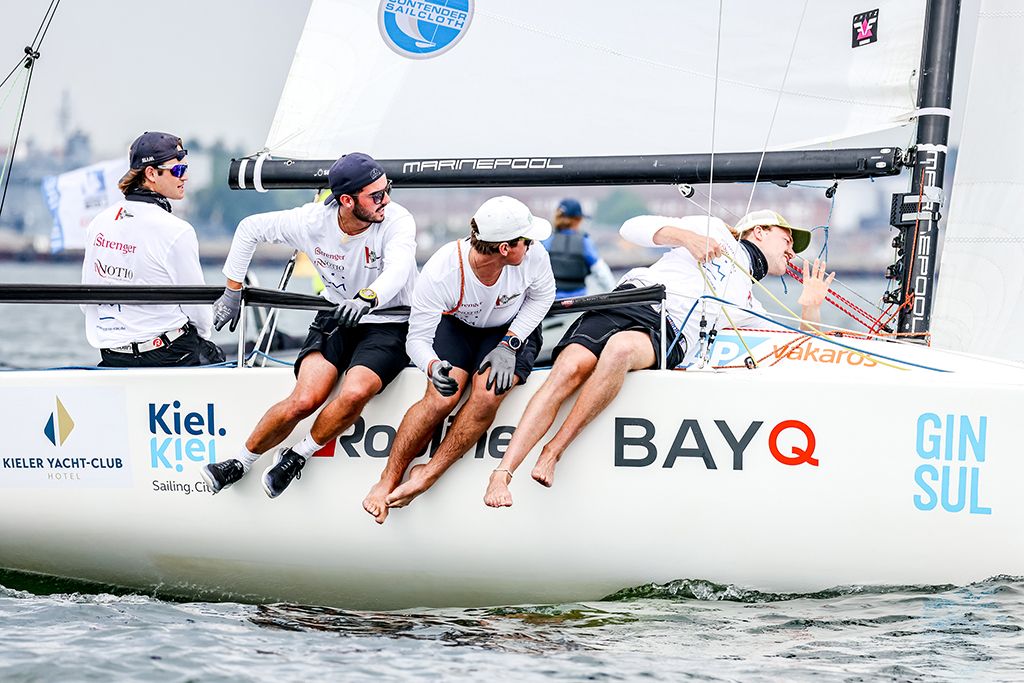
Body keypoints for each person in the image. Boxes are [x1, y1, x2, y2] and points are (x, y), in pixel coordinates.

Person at [483, 209, 834, 507]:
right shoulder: (711, 229)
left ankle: (554, 451)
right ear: (759, 231)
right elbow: (631, 227)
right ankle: (502, 473)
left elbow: (798, 342)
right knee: (569, 368)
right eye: (787, 241)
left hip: (668, 327)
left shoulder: (748, 303)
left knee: (620, 349)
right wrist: (685, 237)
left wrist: (810, 306)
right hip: (631, 297)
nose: (792, 252)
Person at [200, 152, 417, 499]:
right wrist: (232, 291)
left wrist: (367, 297)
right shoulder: (311, 221)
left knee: (356, 391)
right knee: (304, 399)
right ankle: (240, 461)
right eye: (376, 195)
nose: (386, 200)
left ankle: (297, 455)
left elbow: (400, 268)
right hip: (337, 316)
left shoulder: (396, 220)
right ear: (346, 200)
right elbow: (248, 229)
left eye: (387, 189)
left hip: (388, 321)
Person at [362, 196, 556, 523]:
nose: (533, 243)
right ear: (506, 248)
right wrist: (432, 366)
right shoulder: (442, 271)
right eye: (526, 239)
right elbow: (418, 340)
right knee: (441, 398)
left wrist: (510, 344)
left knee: (488, 392)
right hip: (459, 325)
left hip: (511, 327)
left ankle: (429, 473)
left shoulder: (534, 256)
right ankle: (388, 478)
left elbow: (543, 297)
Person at [81, 131, 223, 368]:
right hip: (170, 354)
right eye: (178, 170)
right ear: (150, 174)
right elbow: (199, 314)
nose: (185, 177)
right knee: (215, 356)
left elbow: (86, 303)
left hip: (113, 355)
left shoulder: (99, 222)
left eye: (186, 169)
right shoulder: (177, 230)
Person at [543, 198, 617, 298]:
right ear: (577, 219)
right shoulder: (585, 242)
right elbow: (602, 273)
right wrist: (614, 294)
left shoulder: (547, 241)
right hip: (577, 304)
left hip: (551, 303)